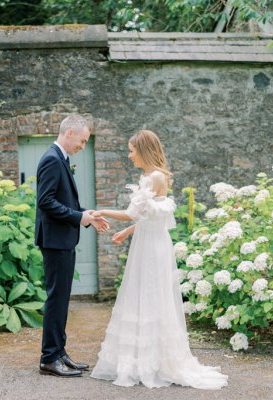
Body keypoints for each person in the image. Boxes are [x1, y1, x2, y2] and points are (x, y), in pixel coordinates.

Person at [90, 130, 228, 389]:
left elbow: (133, 213)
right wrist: (128, 231)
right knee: (144, 295)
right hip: (149, 241)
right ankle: (145, 358)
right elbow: (149, 217)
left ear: (142, 150)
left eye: (131, 150)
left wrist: (102, 211)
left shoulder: (154, 177)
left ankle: (151, 361)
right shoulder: (153, 176)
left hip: (152, 248)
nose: (129, 155)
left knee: (151, 295)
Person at [35, 114, 109, 378]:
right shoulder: (52, 160)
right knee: (57, 298)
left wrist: (85, 214)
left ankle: (60, 353)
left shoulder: (60, 159)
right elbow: (46, 202)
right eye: (83, 140)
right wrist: (79, 217)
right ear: (69, 134)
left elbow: (61, 201)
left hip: (61, 239)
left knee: (62, 298)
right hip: (55, 241)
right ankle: (49, 358)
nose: (83, 145)